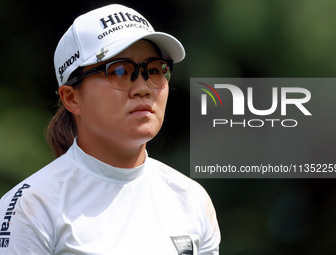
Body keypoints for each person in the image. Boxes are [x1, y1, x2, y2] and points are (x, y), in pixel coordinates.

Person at [0, 4, 220, 254]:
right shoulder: (32, 207)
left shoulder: (191, 200)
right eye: (119, 71)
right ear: (71, 98)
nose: (143, 88)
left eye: (155, 70)